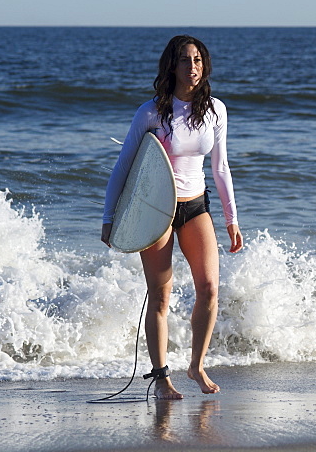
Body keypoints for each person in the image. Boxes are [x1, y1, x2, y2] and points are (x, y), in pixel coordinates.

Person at [101, 35, 244, 400]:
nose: (192, 66)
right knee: (160, 297)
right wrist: (109, 218)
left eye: (197, 60)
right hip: (155, 209)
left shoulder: (215, 110)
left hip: (196, 206)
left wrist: (231, 220)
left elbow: (221, 167)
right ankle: (161, 377)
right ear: (172, 66)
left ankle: (196, 364)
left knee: (209, 289)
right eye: (184, 60)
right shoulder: (151, 112)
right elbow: (123, 167)